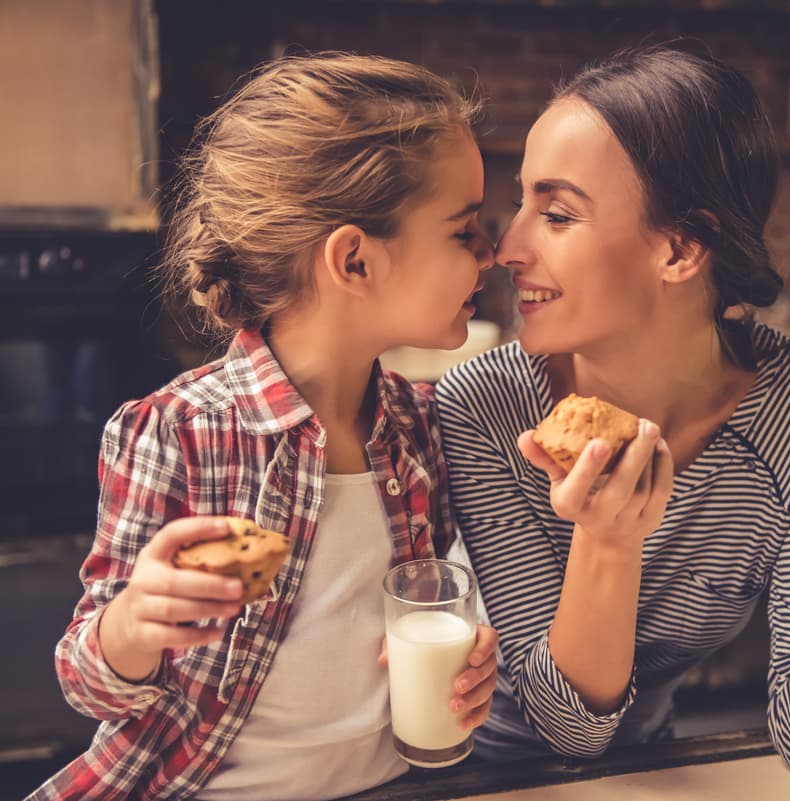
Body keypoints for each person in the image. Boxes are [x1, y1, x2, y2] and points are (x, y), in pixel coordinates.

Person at [435, 44, 790, 781]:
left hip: (660, 768)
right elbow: (566, 729)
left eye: (558, 213)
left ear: (678, 248)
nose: (506, 248)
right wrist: (608, 542)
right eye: (522, 203)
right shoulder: (484, 406)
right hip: (472, 772)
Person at [30, 53, 498, 801]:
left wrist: (470, 669)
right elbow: (89, 684)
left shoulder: (421, 424)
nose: (492, 253)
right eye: (464, 230)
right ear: (354, 260)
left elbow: (428, 611)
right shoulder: (176, 432)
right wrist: (134, 622)